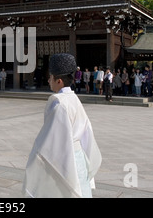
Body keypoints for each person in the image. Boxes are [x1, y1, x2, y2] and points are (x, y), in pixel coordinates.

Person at [23, 53, 102, 198]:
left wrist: (35, 160)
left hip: (67, 158)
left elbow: (51, 141)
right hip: (79, 159)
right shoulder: (74, 98)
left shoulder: (59, 102)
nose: (48, 80)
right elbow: (87, 133)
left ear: (58, 81)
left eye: (50, 77)